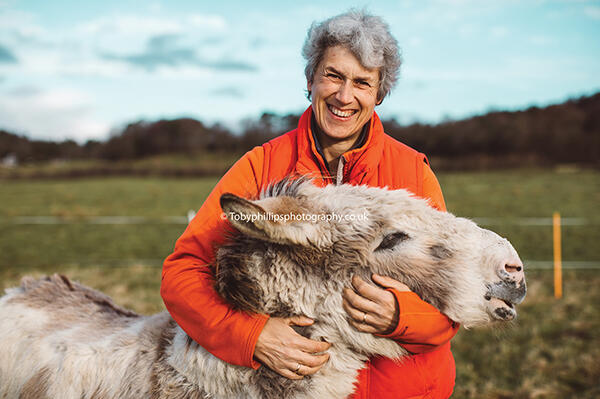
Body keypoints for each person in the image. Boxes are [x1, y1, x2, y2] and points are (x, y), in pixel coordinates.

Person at [161, 10, 459, 399]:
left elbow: (452, 292)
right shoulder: (261, 166)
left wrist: (403, 317)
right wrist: (252, 335)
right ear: (310, 79)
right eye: (333, 75)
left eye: (362, 82)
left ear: (379, 94)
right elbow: (183, 272)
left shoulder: (413, 172)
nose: (344, 96)